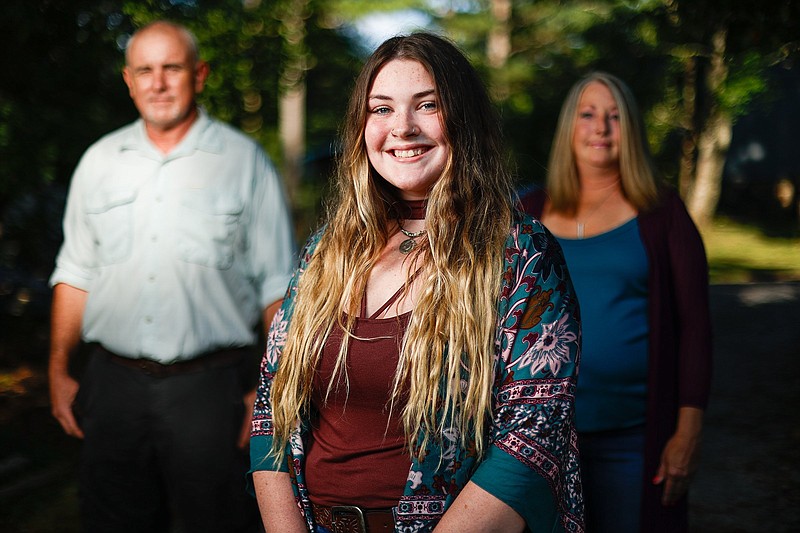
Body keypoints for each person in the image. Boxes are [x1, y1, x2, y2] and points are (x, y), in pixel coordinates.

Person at [249, 32, 584, 533]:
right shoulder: (326, 252)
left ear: (463, 118)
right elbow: (271, 409)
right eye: (380, 109)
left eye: (427, 105)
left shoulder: (519, 254)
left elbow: (534, 436)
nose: (401, 128)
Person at [47, 20, 296, 532]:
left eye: (172, 68)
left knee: (218, 521)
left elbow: (279, 288)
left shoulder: (244, 162)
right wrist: (57, 367)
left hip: (210, 390)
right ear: (128, 80)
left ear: (199, 74)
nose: (158, 82)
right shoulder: (99, 162)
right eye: (145, 70)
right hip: (112, 387)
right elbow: (74, 272)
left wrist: (271, 392)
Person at [521, 72, 713, 533]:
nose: (601, 128)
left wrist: (687, 433)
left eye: (615, 116)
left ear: (631, 129)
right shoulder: (527, 213)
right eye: (588, 114)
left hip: (634, 435)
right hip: (537, 439)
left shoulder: (662, 213)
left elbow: (695, 329)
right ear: (570, 126)